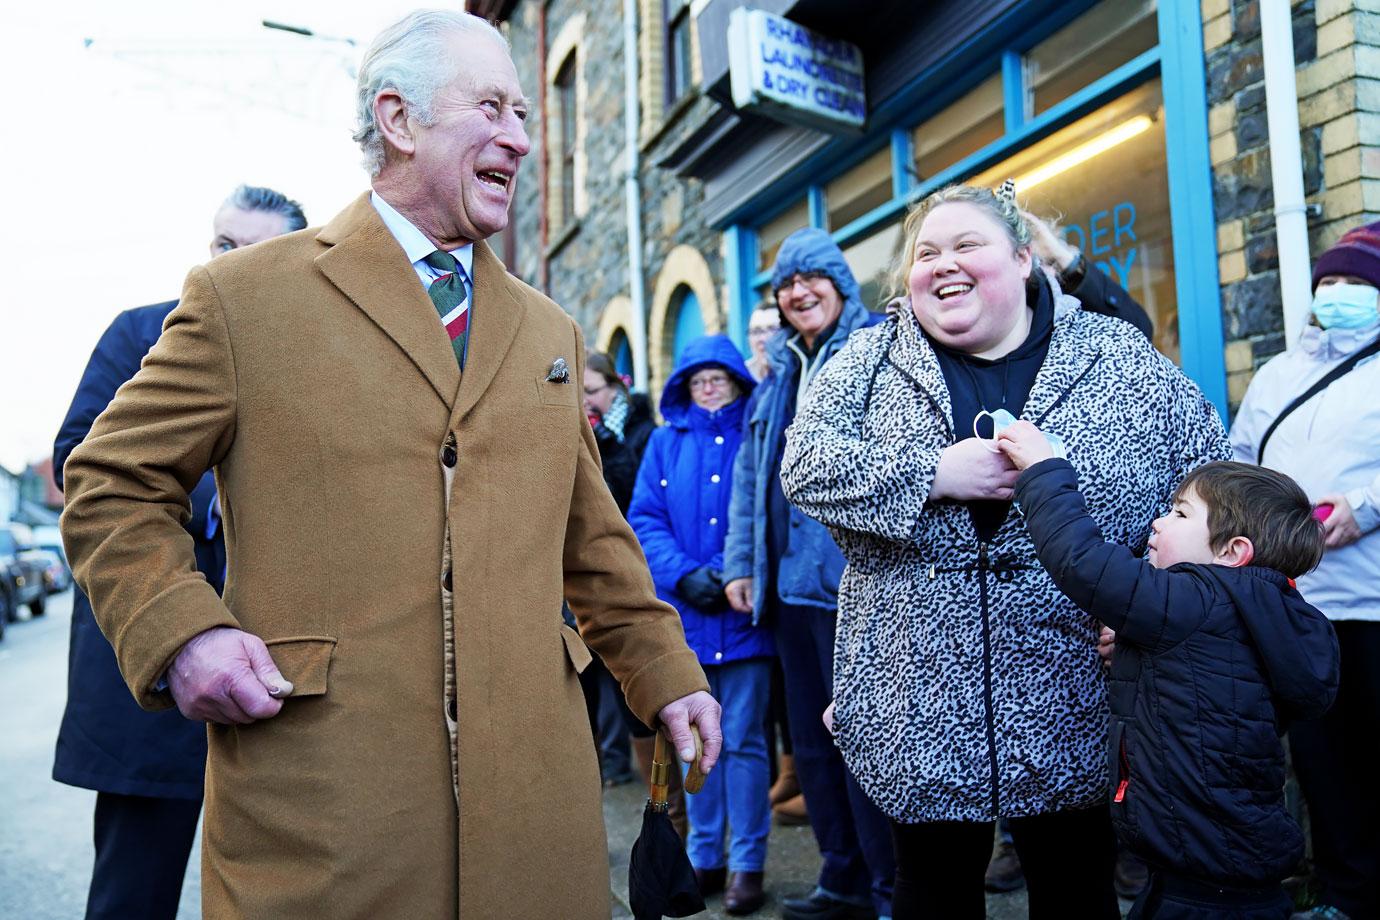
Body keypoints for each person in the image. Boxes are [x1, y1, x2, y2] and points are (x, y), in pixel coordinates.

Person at [58, 11, 720, 919]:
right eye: (491, 107)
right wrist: (182, 630)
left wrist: (665, 671)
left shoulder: (550, 331)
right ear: (399, 121)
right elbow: (110, 483)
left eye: (523, 114)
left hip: (534, 810)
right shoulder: (243, 299)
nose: (520, 139)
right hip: (329, 816)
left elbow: (592, 540)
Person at [781, 182, 1228, 920]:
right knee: (931, 893)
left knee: (1078, 886)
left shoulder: (1114, 355)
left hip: (1072, 691)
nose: (942, 265)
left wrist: (1155, 594)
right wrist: (933, 475)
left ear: (1024, 259)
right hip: (915, 692)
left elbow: (1209, 478)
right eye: (926, 253)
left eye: (966, 246)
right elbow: (804, 466)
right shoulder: (867, 359)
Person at [51, 184, 304, 920]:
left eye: (252, 251)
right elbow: (81, 460)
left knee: (284, 889)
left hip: (278, 668)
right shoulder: (141, 333)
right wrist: (216, 497)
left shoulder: (308, 355)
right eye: (223, 244)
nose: (230, 262)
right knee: (135, 890)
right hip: (150, 659)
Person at [1000, 422, 1339, 917]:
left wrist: (1043, 470)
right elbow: (1208, 674)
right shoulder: (1268, 611)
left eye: (1180, 513)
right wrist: (1145, 648)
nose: (1158, 522)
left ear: (1232, 552)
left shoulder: (1194, 597)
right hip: (1225, 858)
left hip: (1200, 873)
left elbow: (1081, 561)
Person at [724, 227, 895, 920]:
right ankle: (842, 878)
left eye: (811, 278)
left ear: (841, 283)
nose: (798, 293)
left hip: (853, 588)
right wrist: (741, 563)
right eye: (785, 285)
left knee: (865, 743)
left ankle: (890, 890)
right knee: (814, 747)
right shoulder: (778, 376)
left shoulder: (876, 353)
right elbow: (747, 478)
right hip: (788, 592)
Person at [1229, 220, 1380, 920]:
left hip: (1374, 600)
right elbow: (1241, 461)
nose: (1338, 293)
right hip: (1300, 602)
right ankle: (1347, 892)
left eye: (1355, 283)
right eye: (1328, 282)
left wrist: (1366, 506)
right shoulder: (1280, 373)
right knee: (1324, 764)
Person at [629, 334, 773, 915]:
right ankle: (705, 856)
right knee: (693, 745)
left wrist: (730, 573)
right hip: (686, 619)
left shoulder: (757, 436)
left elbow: (765, 513)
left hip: (742, 615)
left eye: (718, 377)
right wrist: (685, 575)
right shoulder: (665, 443)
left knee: (743, 743)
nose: (709, 388)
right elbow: (643, 518)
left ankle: (748, 863)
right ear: (683, 388)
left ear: (738, 381)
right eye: (697, 380)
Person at [746, 305, 782, 381]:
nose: (763, 338)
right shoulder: (742, 376)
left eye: (773, 329)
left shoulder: (801, 375)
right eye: (756, 331)